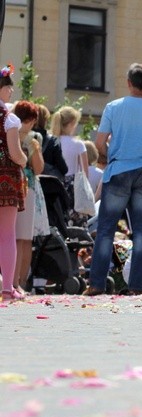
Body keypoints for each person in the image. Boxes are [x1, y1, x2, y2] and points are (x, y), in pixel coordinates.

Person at [85, 63, 142, 296]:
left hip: (118, 169)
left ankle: (96, 284)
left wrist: (109, 157)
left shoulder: (114, 107)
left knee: (105, 229)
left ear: (128, 82)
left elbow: (100, 143)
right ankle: (137, 285)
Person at [0, 64, 28, 301]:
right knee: (7, 233)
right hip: (5, 179)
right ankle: (8, 288)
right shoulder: (9, 119)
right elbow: (14, 153)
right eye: (9, 87)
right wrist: (25, 158)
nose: (11, 92)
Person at [12, 101, 44, 292]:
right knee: (15, 236)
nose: (30, 125)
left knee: (24, 237)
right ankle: (12, 281)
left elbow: (39, 169)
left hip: (28, 188)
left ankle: (20, 281)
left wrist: (36, 149)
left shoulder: (33, 139)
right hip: (15, 187)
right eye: (28, 121)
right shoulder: (10, 133)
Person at [51, 105, 88, 226]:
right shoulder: (78, 144)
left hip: (54, 184)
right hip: (73, 186)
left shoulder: (51, 141)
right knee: (77, 224)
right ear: (72, 123)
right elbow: (85, 172)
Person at [34, 104, 67, 182]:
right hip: (47, 186)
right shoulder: (52, 141)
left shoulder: (23, 137)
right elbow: (64, 169)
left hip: (27, 183)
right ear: (45, 120)